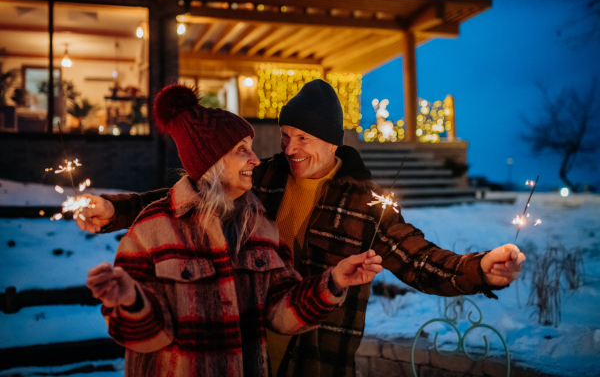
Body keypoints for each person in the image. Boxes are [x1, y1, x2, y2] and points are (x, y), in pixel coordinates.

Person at [79, 80, 526, 377]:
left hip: (313, 356)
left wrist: (480, 268)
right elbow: (190, 192)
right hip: (238, 346)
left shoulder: (364, 204)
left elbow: (420, 259)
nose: (289, 149)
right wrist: (115, 210)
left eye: (303, 139)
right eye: (285, 135)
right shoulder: (263, 176)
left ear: (332, 142)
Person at [86, 84, 383, 377]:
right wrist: (130, 300)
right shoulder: (150, 230)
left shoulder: (261, 227)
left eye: (251, 149)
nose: (256, 159)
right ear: (212, 162)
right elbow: (146, 338)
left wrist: (333, 282)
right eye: (242, 150)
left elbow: (280, 310)